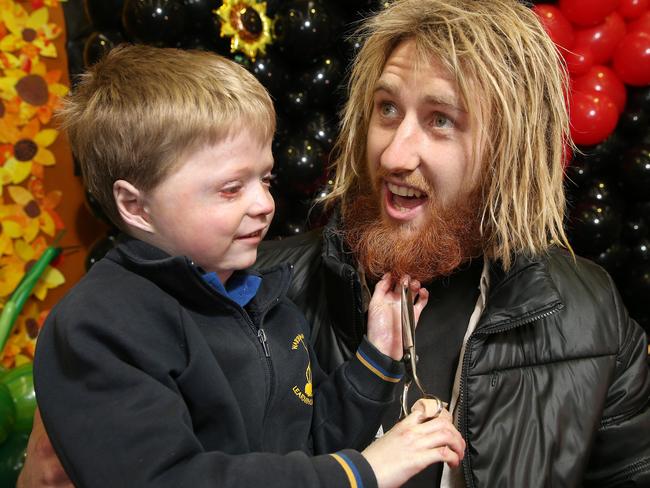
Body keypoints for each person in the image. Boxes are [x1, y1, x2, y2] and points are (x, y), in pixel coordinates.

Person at [18, 0, 650, 487]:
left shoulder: (588, 316)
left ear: (509, 150)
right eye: (385, 109)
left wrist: (373, 366)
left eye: (440, 120)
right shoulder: (254, 288)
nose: (396, 153)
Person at [29, 44, 466, 488]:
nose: (264, 204)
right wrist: (362, 473)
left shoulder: (269, 306)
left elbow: (309, 446)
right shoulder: (99, 328)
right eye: (231, 189)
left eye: (266, 179)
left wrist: (375, 361)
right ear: (135, 205)